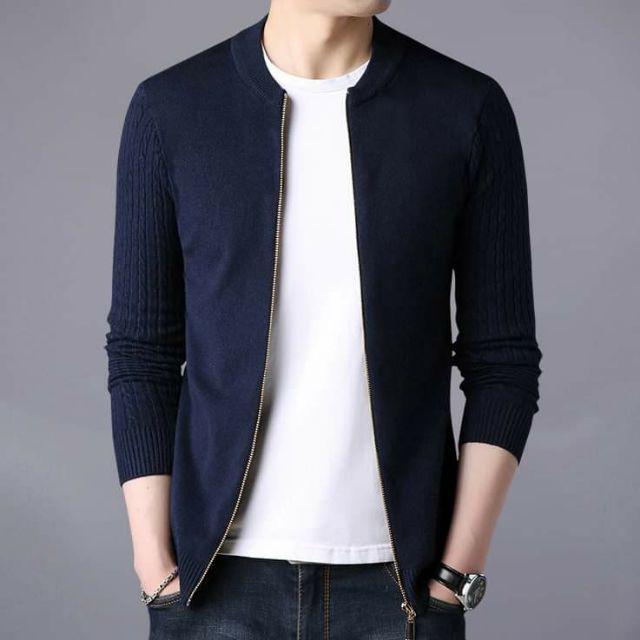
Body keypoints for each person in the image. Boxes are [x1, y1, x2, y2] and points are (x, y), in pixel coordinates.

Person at [104, 1, 542, 638]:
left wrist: (456, 575)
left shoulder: (464, 108)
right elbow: (141, 354)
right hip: (213, 588)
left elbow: (503, 359)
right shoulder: (172, 109)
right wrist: (156, 568)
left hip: (401, 592)